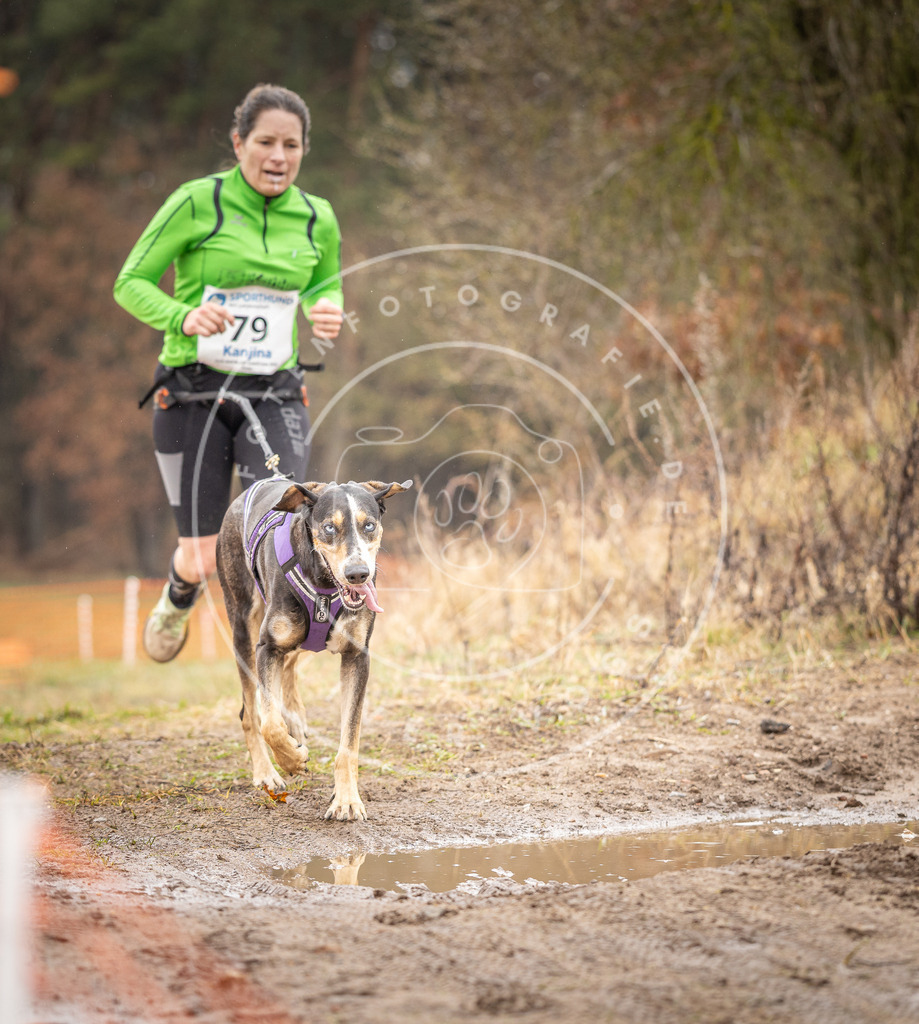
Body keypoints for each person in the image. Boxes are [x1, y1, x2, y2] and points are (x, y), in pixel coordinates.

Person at [114, 83, 344, 662]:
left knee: (281, 531)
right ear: (239, 143)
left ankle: (271, 670)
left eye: (291, 145)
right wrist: (183, 315)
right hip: (193, 394)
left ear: (304, 150)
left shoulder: (317, 217)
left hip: (275, 393)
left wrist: (327, 308)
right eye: (265, 142)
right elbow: (130, 283)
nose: (278, 157)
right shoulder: (197, 202)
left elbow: (325, 284)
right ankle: (179, 593)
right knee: (202, 554)